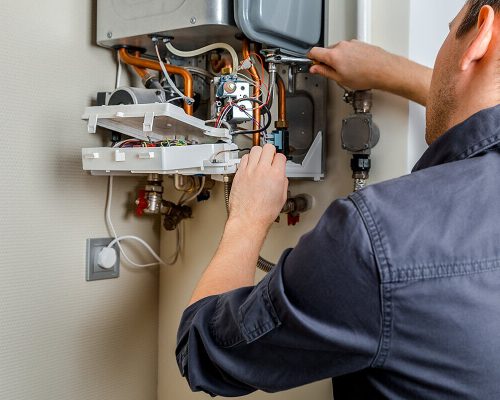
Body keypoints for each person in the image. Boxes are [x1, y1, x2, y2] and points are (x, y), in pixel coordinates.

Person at [176, 1, 500, 398]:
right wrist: (392, 71)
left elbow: (201, 352)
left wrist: (247, 217)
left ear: (481, 33)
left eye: (450, 31)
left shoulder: (379, 240)